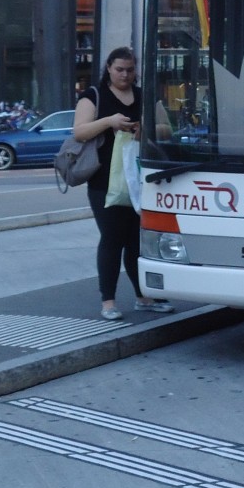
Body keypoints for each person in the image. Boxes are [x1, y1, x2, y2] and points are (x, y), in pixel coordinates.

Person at [73, 46, 173, 321]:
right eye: (119, 70)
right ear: (108, 68)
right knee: (112, 238)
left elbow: (167, 128)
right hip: (103, 181)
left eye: (130, 70)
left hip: (139, 179)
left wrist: (146, 128)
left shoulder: (144, 95)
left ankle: (143, 296)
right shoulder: (94, 96)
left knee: (136, 241)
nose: (125, 75)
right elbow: (79, 132)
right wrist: (109, 121)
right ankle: (108, 301)